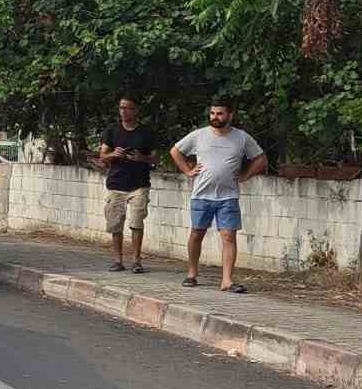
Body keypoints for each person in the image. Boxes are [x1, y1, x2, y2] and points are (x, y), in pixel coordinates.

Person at [169, 99, 267, 293]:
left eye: (220, 114)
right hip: (202, 195)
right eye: (212, 113)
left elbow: (261, 159)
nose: (215, 117)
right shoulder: (199, 135)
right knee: (197, 233)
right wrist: (188, 171)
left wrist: (246, 175)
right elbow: (175, 151)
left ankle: (227, 281)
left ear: (230, 115)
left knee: (228, 236)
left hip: (228, 196)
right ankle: (192, 273)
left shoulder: (242, 138)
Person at [99, 96, 155, 273]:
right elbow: (102, 156)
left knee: (137, 222)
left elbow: (155, 158)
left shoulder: (146, 132)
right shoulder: (112, 130)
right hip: (116, 183)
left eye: (128, 108)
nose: (124, 111)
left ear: (136, 110)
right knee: (115, 224)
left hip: (139, 184)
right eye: (121, 108)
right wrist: (114, 154)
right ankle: (118, 260)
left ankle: (136, 261)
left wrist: (141, 158)